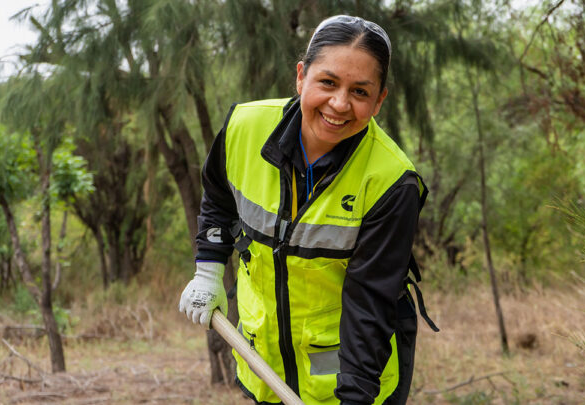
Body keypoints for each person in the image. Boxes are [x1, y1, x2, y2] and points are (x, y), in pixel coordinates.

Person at [179, 15, 437, 405]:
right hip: (263, 365)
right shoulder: (243, 127)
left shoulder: (390, 181)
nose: (339, 104)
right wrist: (209, 270)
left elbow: (370, 305)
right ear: (301, 77)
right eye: (328, 82)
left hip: (350, 382)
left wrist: (354, 399)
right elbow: (218, 196)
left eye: (360, 92)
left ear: (379, 100)